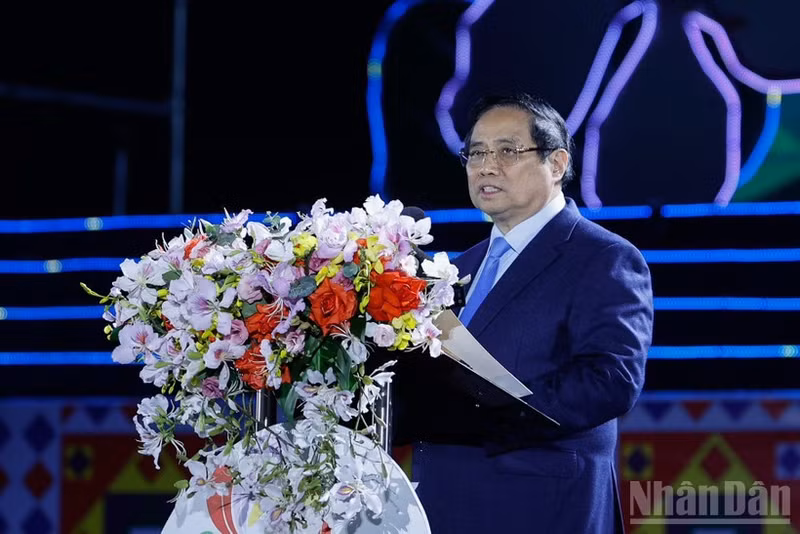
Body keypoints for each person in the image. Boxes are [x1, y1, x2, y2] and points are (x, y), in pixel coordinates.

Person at [393, 94, 654, 533]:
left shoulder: (603, 257)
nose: (486, 166)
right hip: (442, 501)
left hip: (541, 504)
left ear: (556, 164)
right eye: (476, 152)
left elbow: (611, 380)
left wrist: (491, 416)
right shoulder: (459, 268)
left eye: (508, 151)